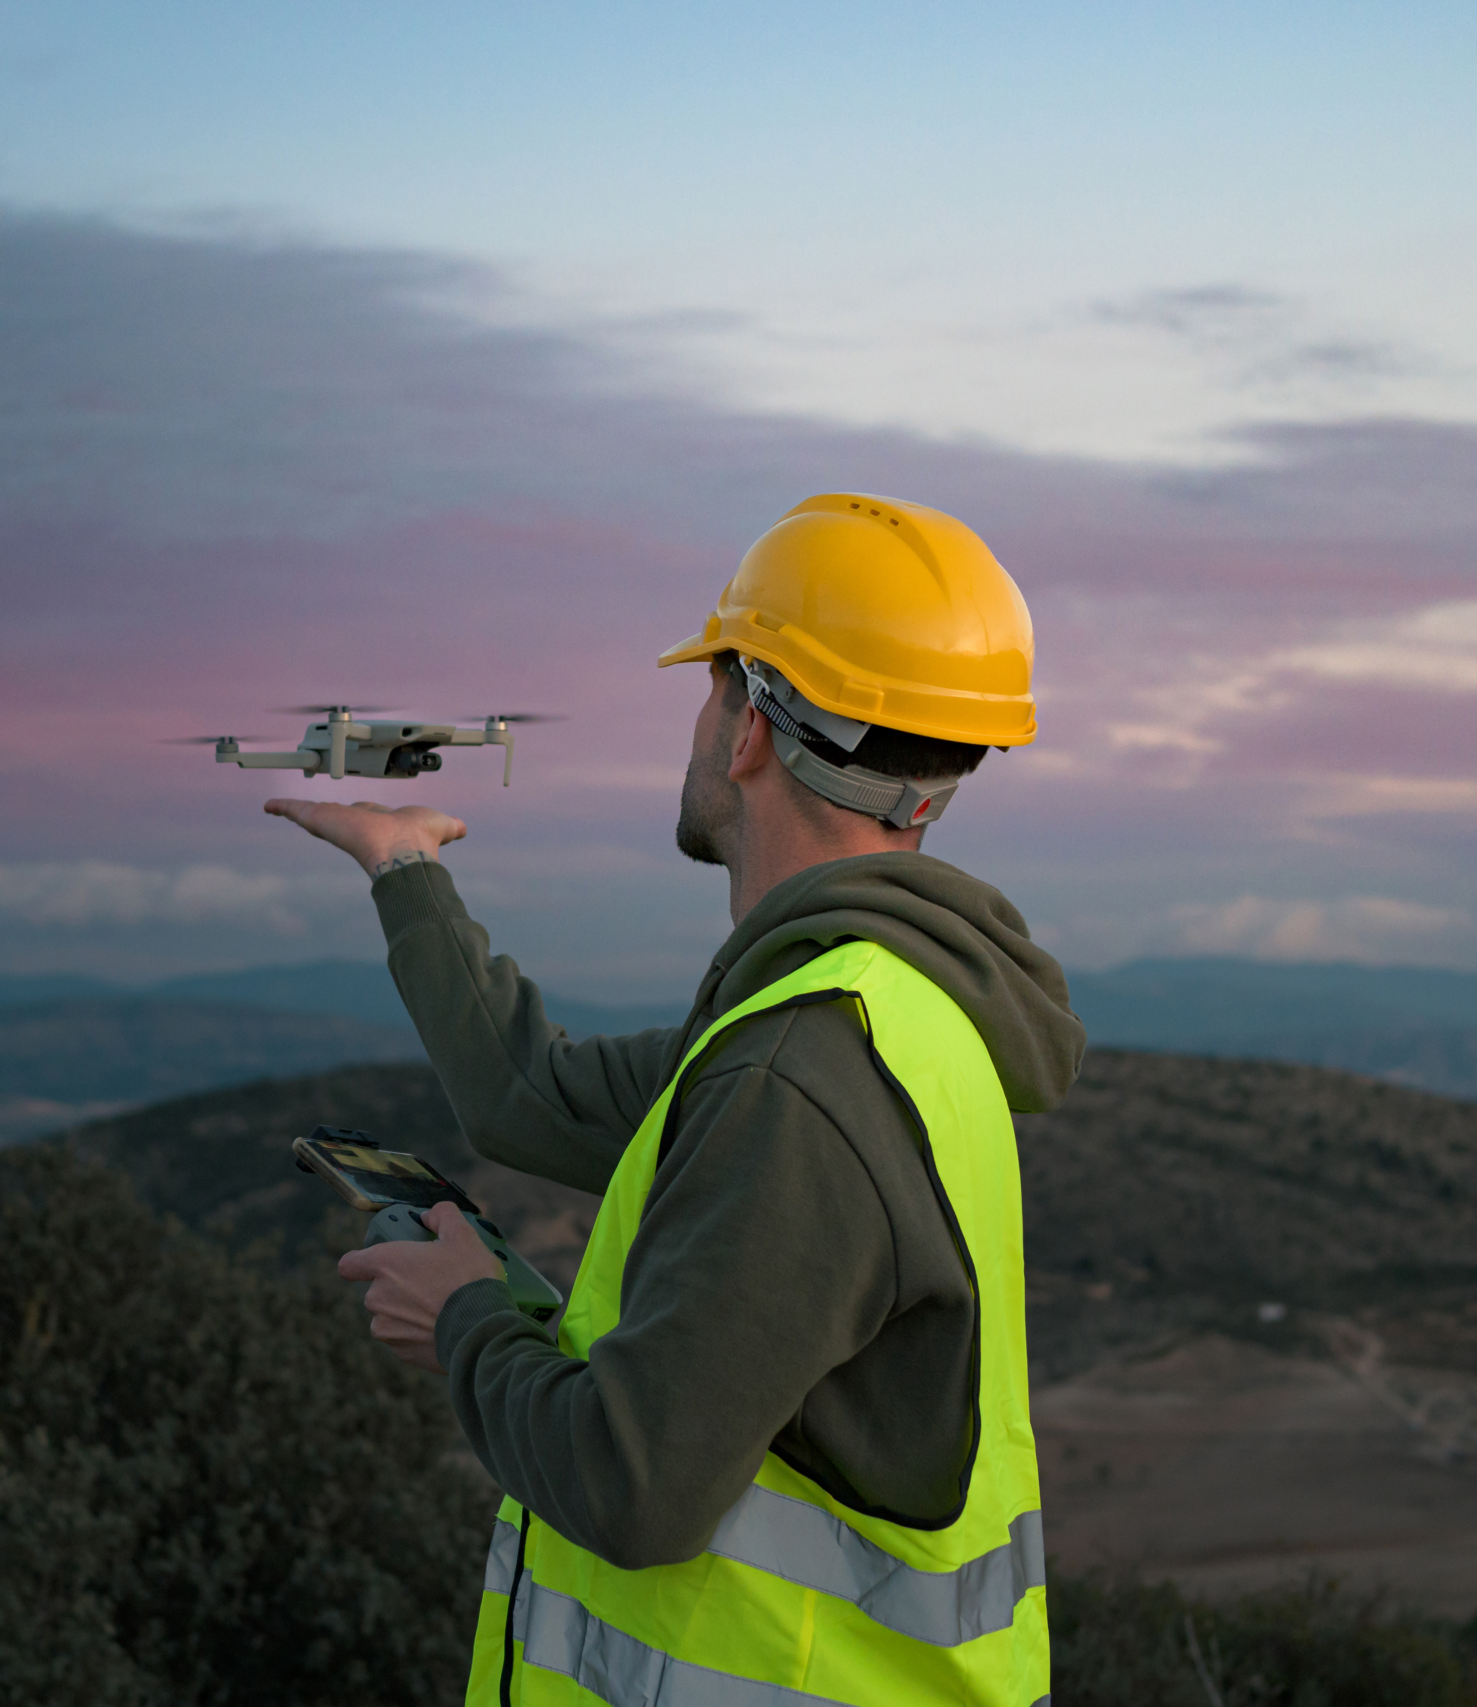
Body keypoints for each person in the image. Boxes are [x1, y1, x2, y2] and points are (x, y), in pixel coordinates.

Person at [266, 492, 1084, 1707]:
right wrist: (405, 866)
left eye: (710, 687)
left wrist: (469, 1320)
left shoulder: (802, 1067)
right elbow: (528, 1097)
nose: (700, 721)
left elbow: (634, 1486)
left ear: (750, 723)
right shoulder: (888, 1011)